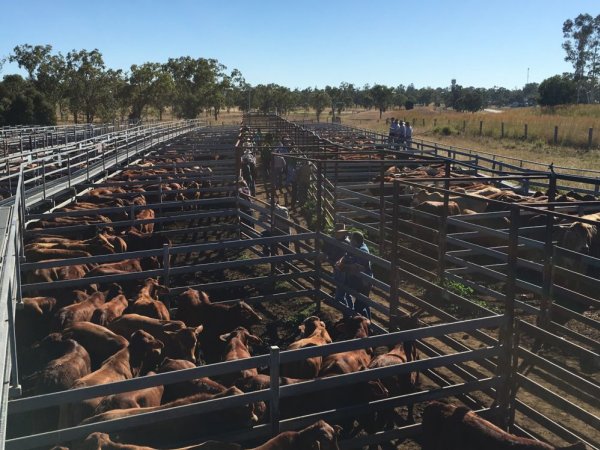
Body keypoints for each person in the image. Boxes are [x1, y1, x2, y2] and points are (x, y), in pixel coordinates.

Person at [337, 231, 373, 319]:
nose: (349, 240)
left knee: (360, 306)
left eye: (351, 239)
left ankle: (367, 325)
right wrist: (342, 262)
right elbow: (346, 258)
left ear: (355, 241)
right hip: (356, 280)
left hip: (363, 282)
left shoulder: (363, 251)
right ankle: (355, 319)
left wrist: (343, 266)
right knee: (360, 303)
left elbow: (357, 267)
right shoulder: (355, 247)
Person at [320, 223, 351, 308]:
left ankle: (345, 309)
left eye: (340, 232)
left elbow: (348, 256)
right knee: (341, 286)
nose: (338, 234)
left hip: (343, 268)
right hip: (336, 266)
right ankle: (348, 310)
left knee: (341, 288)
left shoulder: (347, 243)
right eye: (337, 232)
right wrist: (325, 254)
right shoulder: (333, 240)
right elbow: (326, 249)